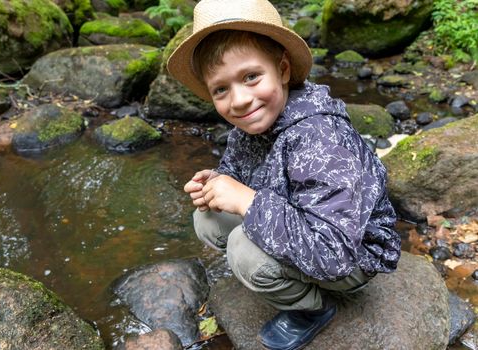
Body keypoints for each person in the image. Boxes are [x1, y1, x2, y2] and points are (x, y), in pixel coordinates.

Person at [167, 0, 401, 348]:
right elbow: (236, 172)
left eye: (251, 77)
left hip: (353, 253)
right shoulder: (248, 128)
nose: (240, 100)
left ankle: (313, 308)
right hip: (291, 217)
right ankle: (285, 277)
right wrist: (216, 182)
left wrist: (246, 200)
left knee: (243, 251)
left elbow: (334, 254)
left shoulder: (321, 136)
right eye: (221, 89)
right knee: (208, 218)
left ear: (284, 70)